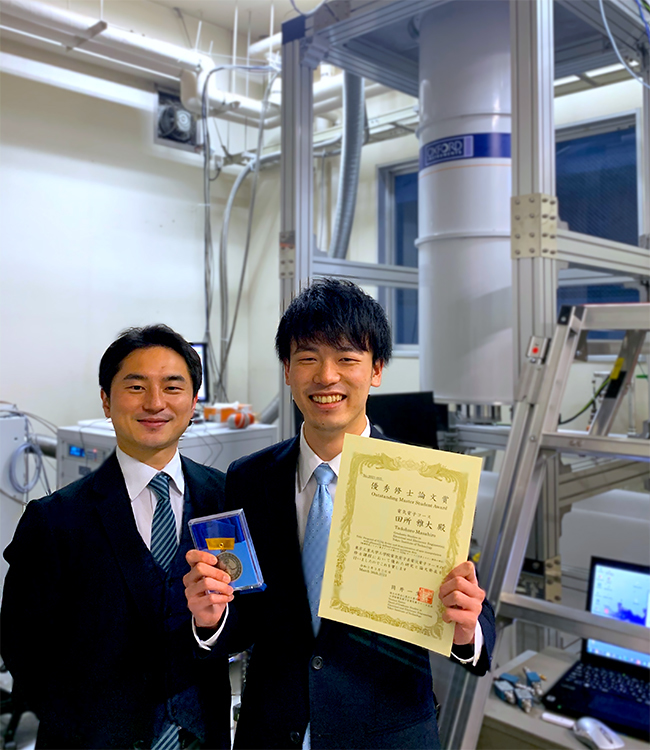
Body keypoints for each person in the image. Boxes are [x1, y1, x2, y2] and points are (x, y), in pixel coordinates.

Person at [184, 279, 496, 750]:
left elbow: (477, 621)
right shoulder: (249, 478)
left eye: (347, 358)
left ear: (376, 371)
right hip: (271, 732)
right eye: (308, 358)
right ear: (287, 371)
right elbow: (244, 614)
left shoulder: (427, 480)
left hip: (387, 734)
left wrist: (467, 625)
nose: (326, 377)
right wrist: (210, 620)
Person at [1, 325, 232, 749]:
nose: (155, 403)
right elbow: (22, 650)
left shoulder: (225, 499)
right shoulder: (54, 521)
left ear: (194, 402)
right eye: (136, 386)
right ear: (106, 401)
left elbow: (248, 616)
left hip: (202, 736)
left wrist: (212, 626)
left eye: (172, 386)